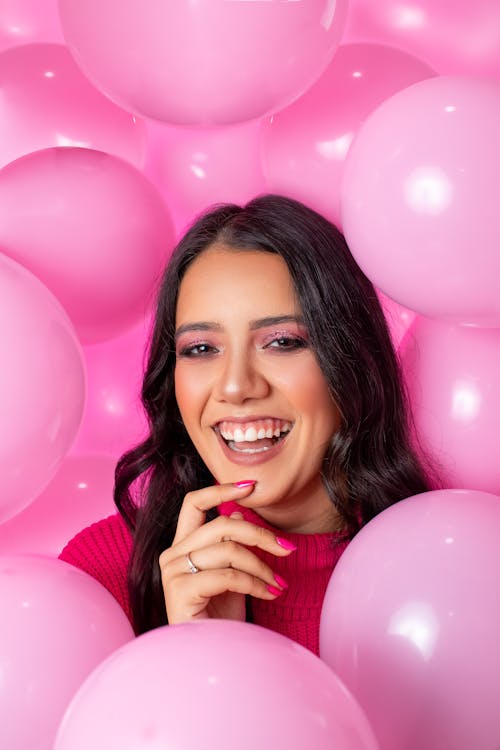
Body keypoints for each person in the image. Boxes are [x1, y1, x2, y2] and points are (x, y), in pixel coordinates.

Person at [60, 194, 433, 656]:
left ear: (351, 360)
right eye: (200, 349)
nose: (236, 387)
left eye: (282, 342)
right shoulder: (102, 578)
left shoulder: (444, 568)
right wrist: (202, 651)